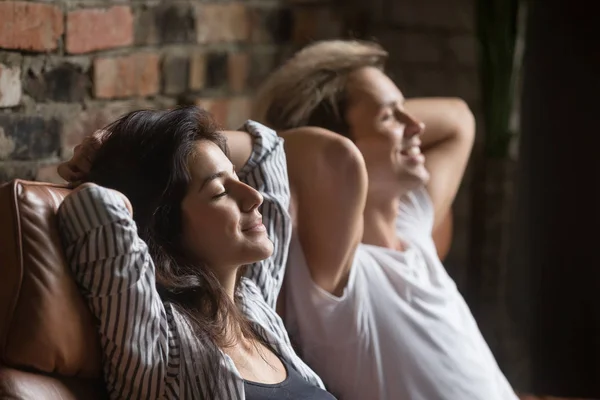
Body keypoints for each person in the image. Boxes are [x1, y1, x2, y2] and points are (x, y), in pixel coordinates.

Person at [253, 40, 519, 399]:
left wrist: (384, 107)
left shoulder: (411, 222)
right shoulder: (338, 279)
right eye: (391, 116)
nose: (417, 125)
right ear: (342, 144)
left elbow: (459, 119)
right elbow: (325, 156)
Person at [56, 106, 336, 399]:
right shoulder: (161, 346)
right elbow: (94, 206)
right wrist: (113, 155)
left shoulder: (254, 307)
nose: (253, 197)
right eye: (219, 192)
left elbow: (268, 151)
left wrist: (165, 138)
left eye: (236, 176)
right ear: (165, 229)